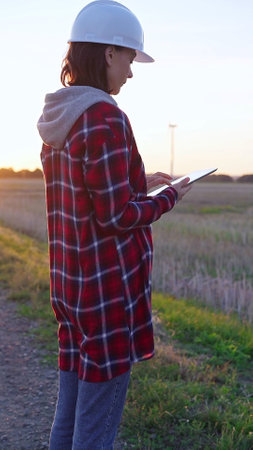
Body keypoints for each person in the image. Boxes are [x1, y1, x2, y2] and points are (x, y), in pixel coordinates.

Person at [37, 1, 191, 449]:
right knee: (96, 429)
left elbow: (84, 193)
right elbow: (117, 215)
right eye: (128, 58)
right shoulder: (104, 116)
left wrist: (135, 180)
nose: (129, 71)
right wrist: (167, 197)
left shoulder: (61, 118)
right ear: (108, 54)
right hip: (105, 294)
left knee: (68, 419)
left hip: (69, 290)